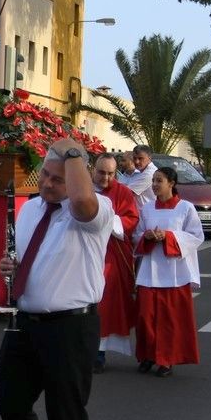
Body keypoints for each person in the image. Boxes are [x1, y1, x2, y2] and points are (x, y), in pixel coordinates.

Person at [0, 138, 113, 420]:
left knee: (66, 416)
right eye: (44, 174)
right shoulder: (31, 209)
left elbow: (82, 202)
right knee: (9, 400)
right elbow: (28, 258)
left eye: (58, 179)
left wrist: (73, 151)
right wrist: (10, 266)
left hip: (71, 328)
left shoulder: (95, 211)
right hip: (26, 323)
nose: (46, 183)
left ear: (77, 178)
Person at [134, 167, 203, 377]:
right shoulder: (147, 208)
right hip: (149, 271)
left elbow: (196, 236)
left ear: (171, 183)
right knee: (145, 316)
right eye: (153, 180)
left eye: (159, 181)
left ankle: (166, 359)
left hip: (174, 273)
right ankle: (148, 355)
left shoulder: (185, 208)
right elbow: (136, 235)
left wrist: (169, 237)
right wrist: (146, 236)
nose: (154, 184)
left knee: (169, 320)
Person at [91, 152, 140, 373]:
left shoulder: (123, 192)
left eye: (111, 174)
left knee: (104, 305)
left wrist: (106, 218)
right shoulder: (82, 188)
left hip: (110, 254)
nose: (106, 178)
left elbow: (131, 220)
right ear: (93, 169)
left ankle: (98, 354)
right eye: (102, 172)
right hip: (81, 252)